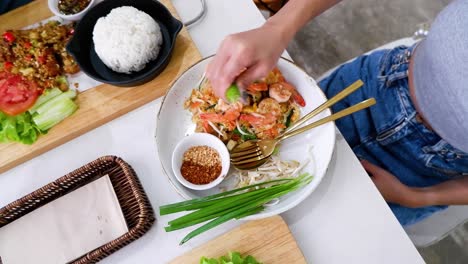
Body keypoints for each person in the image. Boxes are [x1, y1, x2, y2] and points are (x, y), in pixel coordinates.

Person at [206, 0, 468, 226]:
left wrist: (416, 197)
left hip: (424, 172)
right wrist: (277, 27)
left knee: (328, 231)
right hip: (377, 81)